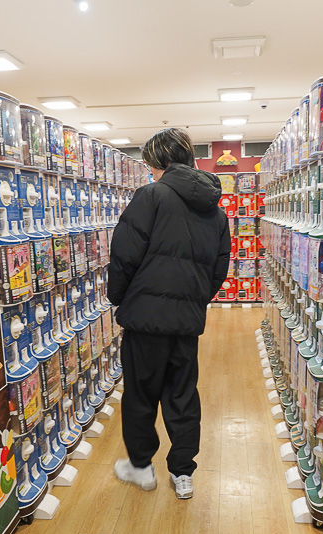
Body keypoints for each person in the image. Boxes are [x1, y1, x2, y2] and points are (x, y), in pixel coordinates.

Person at [108, 128, 231, 499]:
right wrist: (193, 300)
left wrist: (119, 298)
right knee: (182, 395)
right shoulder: (216, 210)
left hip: (145, 319)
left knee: (141, 394)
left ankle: (142, 468)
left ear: (160, 163)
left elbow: (125, 254)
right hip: (186, 322)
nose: (150, 173)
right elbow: (218, 269)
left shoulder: (151, 195)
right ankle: (183, 473)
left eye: (150, 166)